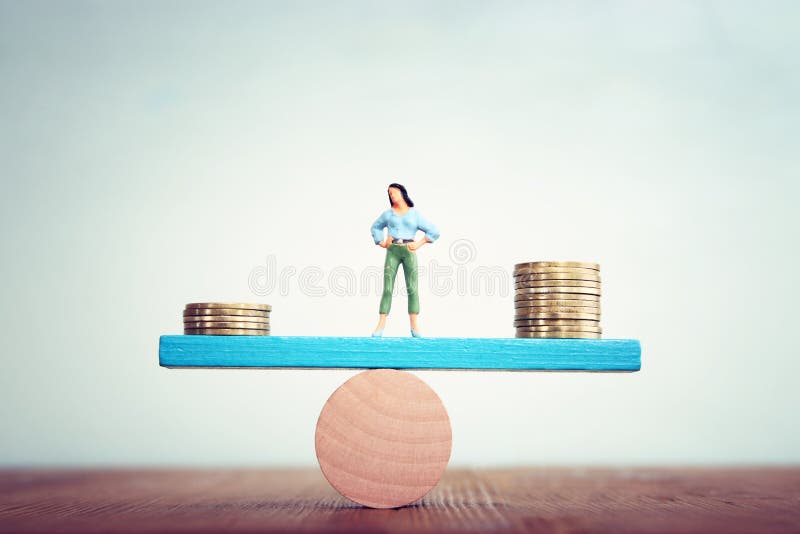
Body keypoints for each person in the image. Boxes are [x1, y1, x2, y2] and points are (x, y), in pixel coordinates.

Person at [370, 183, 440, 337]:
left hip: (409, 250)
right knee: (388, 287)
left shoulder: (414, 214)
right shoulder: (388, 214)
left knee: (412, 287)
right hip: (392, 251)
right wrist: (381, 242)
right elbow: (375, 227)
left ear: (402, 193)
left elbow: (434, 230)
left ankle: (414, 325)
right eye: (390, 193)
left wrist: (419, 243)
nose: (392, 195)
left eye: (394, 192)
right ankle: (381, 324)